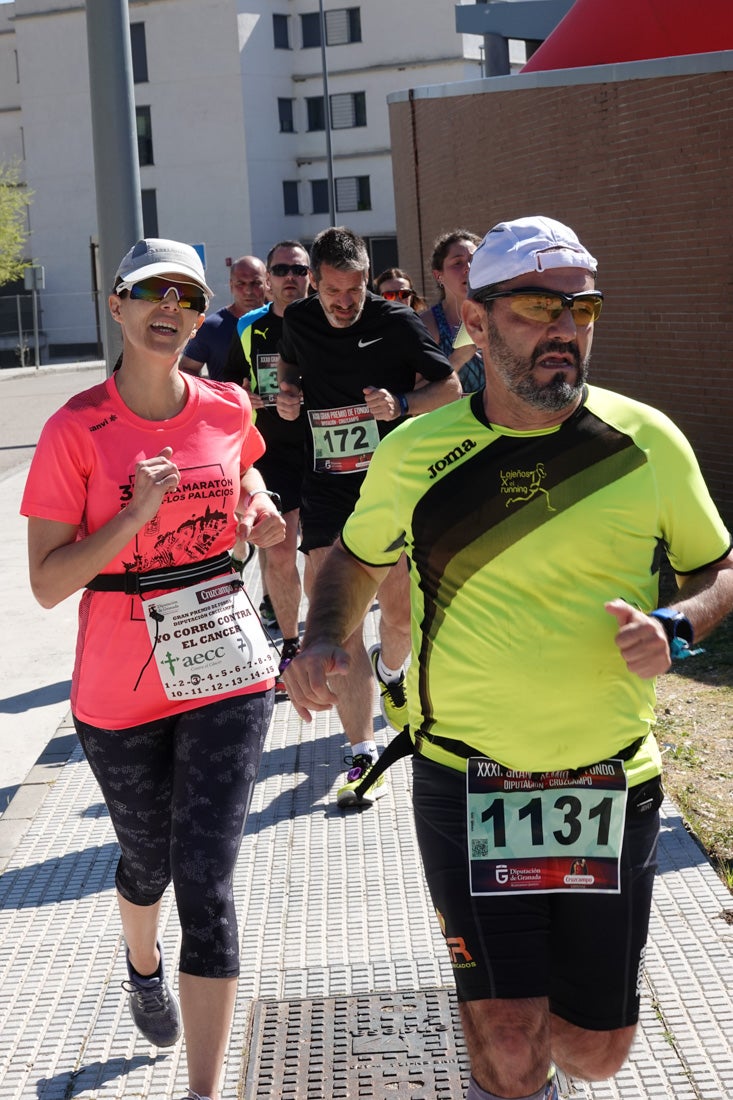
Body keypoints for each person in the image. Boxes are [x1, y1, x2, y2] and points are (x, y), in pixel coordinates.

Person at [281, 216, 733, 1100]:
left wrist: (677, 624)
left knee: (594, 1050)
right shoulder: (416, 453)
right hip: (465, 778)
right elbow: (357, 558)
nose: (566, 327)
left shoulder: (645, 443)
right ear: (476, 324)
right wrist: (323, 636)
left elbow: (716, 566)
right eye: (537, 306)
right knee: (508, 1038)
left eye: (582, 307)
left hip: (607, 780)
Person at [21, 237, 286, 1100]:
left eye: (189, 298)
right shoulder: (75, 429)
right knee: (149, 865)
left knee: (205, 878)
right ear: (118, 306)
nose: (170, 309)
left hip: (226, 668)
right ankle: (142, 963)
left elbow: (243, 479)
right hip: (119, 687)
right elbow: (50, 583)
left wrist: (262, 508)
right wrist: (136, 515)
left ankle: (205, 1091)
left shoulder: (225, 408)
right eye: (151, 294)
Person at [276, 225, 461, 806]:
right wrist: (287, 396)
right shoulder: (299, 321)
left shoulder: (395, 322)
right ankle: (361, 750)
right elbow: (289, 369)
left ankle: (392, 673)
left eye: (355, 291)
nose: (344, 303)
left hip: (392, 488)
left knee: (400, 618)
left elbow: (451, 386)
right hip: (329, 491)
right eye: (333, 291)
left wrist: (403, 404)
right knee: (339, 622)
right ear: (316, 283)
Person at [221, 240, 310, 681]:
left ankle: (327, 640)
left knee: (326, 556)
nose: (290, 277)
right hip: (271, 453)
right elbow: (227, 386)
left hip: (325, 451)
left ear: (310, 276)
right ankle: (290, 645)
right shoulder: (249, 326)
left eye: (299, 269)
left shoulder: (328, 321)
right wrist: (245, 397)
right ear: (269, 281)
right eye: (281, 270)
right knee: (278, 551)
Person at [179, 255, 267, 380]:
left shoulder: (282, 322)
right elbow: (187, 370)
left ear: (267, 283)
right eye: (240, 283)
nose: (248, 290)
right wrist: (213, 393)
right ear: (231, 285)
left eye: (256, 283)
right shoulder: (211, 327)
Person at [418, 228, 484, 393]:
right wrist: (457, 359)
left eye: (474, 260)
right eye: (457, 263)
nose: (468, 268)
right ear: (438, 275)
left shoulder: (498, 315)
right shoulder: (426, 325)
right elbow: (412, 396)